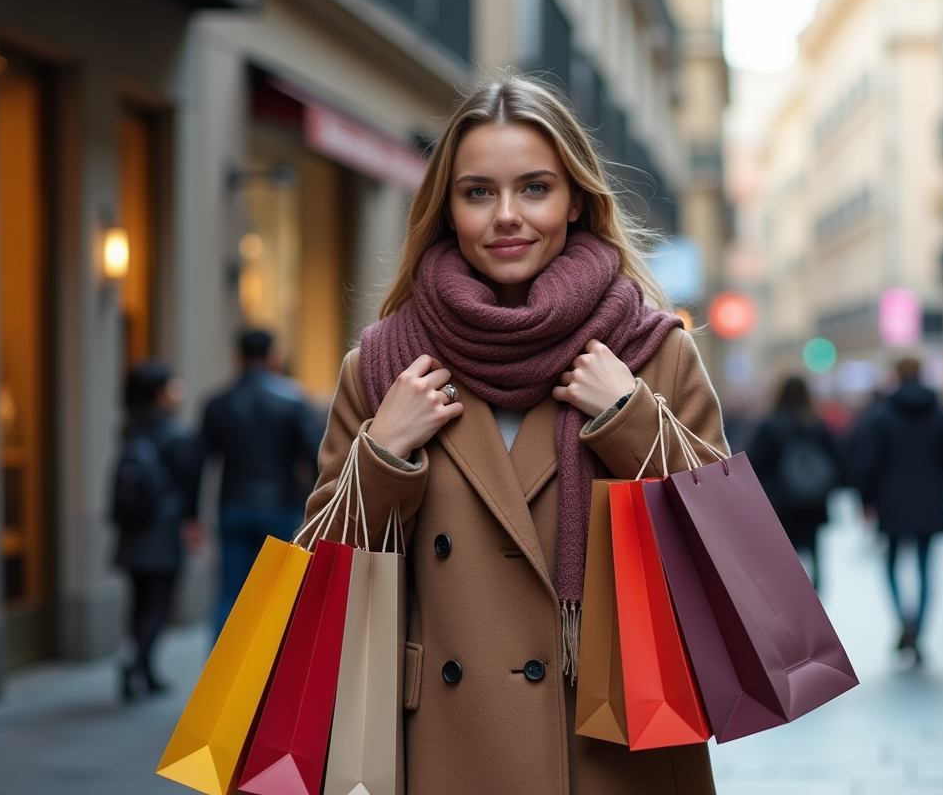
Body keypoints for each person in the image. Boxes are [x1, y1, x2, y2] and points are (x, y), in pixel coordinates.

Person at [297, 75, 727, 794]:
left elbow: (721, 543)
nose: (506, 216)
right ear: (446, 209)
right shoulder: (383, 368)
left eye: (534, 188)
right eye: (477, 192)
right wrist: (382, 454)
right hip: (440, 742)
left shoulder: (652, 354)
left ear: (575, 201)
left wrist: (629, 417)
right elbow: (317, 573)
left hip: (610, 744)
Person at [187, 329, 324, 637]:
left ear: (238, 356)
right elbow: (318, 456)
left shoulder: (217, 403)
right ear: (273, 356)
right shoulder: (293, 402)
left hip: (232, 506)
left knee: (229, 593)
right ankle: (267, 670)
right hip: (279, 507)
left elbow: (196, 463)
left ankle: (221, 675)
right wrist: (318, 508)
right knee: (275, 594)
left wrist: (191, 516)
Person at [857, 357, 943, 663]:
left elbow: (868, 465)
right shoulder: (941, 415)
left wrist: (867, 501)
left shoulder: (881, 416)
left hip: (891, 502)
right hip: (930, 501)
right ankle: (919, 628)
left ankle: (903, 620)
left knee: (890, 563)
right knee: (925, 567)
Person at [110, 361, 194, 701]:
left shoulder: (129, 427)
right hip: (162, 531)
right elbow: (187, 483)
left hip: (132, 532)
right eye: (173, 385)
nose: (178, 391)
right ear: (160, 393)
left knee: (138, 601)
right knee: (159, 605)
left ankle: (145, 668)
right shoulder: (175, 433)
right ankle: (137, 664)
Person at [747, 375, 846, 591]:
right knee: (814, 547)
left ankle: (792, 592)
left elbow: (755, 463)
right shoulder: (816, 424)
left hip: (781, 501)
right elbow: (837, 459)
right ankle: (816, 590)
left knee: (784, 551)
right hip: (813, 500)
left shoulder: (769, 426)